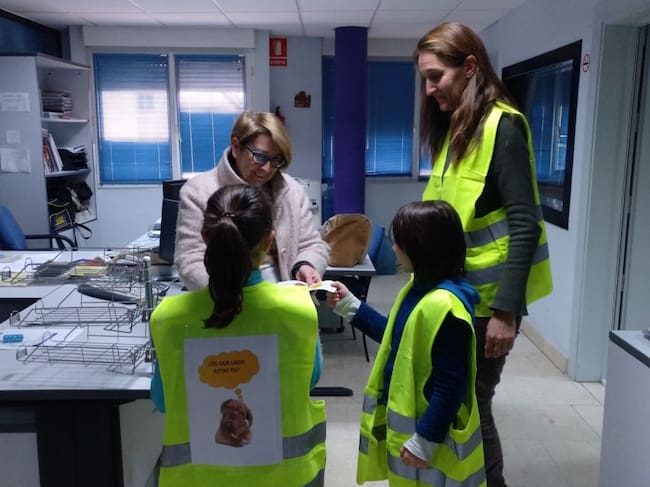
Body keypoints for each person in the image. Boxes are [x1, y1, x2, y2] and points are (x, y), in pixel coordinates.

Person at [414, 22, 553, 486]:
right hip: (454, 295)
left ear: (470, 67)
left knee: (473, 405)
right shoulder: (458, 127)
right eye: (425, 79)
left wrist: (506, 313)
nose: (429, 89)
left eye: (436, 77)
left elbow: (525, 223)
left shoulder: (503, 127)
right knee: (455, 400)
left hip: (487, 303)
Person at [150, 184, 326, 486]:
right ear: (269, 240)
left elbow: (163, 401)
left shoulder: (169, 318)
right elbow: (309, 380)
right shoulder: (298, 310)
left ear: (204, 237)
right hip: (286, 478)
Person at [327, 200, 486, 486]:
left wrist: (426, 439)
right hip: (416, 431)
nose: (394, 248)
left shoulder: (446, 308)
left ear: (421, 248)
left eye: (399, 242)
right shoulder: (418, 287)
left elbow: (451, 385)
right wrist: (350, 305)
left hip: (435, 441)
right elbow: (395, 336)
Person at [174, 111, 329, 291]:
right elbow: (189, 259)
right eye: (260, 157)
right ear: (236, 147)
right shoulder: (197, 191)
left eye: (276, 159)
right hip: (223, 298)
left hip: (285, 294)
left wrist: (305, 265)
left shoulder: (292, 191)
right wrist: (228, 295)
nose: (266, 169)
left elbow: (312, 244)